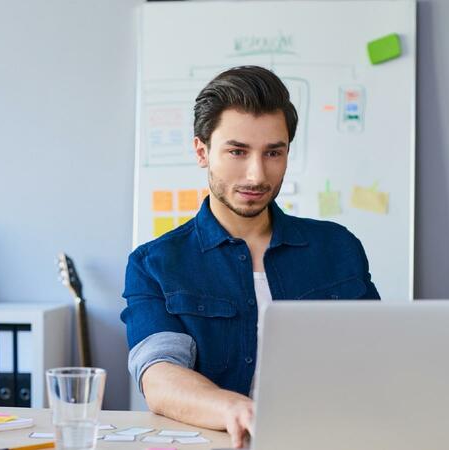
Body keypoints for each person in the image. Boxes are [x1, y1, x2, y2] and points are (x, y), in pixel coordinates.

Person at [121, 65, 380, 448]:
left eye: (273, 152)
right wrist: (235, 410)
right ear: (202, 152)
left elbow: (377, 356)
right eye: (237, 152)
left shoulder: (338, 248)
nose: (257, 175)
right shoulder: (154, 264)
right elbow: (160, 377)